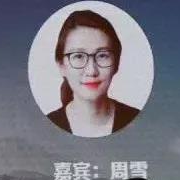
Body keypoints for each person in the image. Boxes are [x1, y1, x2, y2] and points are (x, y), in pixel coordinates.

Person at [47, 9, 139, 137]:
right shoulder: (44, 126)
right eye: (78, 56)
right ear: (61, 65)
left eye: (102, 55)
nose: (91, 71)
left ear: (117, 63)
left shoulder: (139, 120)